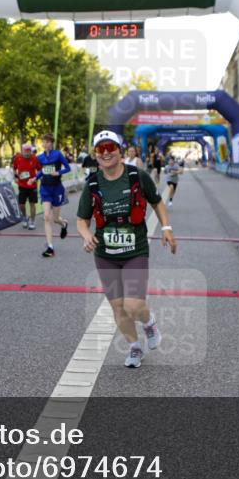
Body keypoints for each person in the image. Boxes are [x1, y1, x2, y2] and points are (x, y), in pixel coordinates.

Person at [76, 130, 176, 368]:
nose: (107, 152)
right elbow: (81, 220)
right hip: (105, 255)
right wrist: (86, 234)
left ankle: (149, 322)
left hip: (135, 250)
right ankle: (134, 348)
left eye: (111, 147)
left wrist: (166, 228)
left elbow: (157, 202)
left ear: (120, 151)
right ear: (95, 155)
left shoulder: (136, 176)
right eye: (101, 149)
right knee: (118, 306)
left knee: (133, 305)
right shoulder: (91, 184)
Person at [36, 133, 71, 257]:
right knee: (46, 217)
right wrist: (34, 178)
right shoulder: (40, 157)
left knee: (56, 219)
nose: (45, 144)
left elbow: (68, 168)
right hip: (45, 188)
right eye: (43, 142)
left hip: (57, 189)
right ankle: (50, 247)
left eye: (47, 142)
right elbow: (42, 170)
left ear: (51, 143)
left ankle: (64, 224)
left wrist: (58, 172)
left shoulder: (58, 154)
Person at [12, 142, 42, 229]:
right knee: (21, 204)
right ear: (22, 151)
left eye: (29, 151)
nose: (27, 153)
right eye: (25, 151)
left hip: (32, 185)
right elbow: (14, 169)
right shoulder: (18, 158)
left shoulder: (34, 158)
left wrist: (35, 178)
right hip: (22, 185)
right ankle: (25, 218)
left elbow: (40, 170)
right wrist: (16, 177)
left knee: (32, 204)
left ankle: (32, 221)